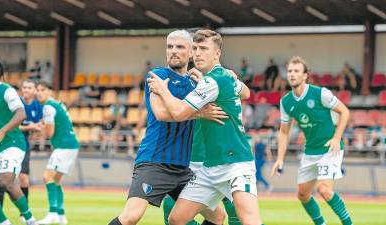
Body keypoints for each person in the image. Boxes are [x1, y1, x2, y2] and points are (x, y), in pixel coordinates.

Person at [107, 30, 227, 225]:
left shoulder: (196, 83)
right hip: (155, 162)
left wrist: (207, 80)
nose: (173, 51)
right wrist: (200, 113)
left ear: (191, 53)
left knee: (218, 216)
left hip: (184, 168)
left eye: (180, 47)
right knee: (131, 217)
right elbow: (161, 114)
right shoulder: (157, 76)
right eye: (169, 46)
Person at [148, 29, 262, 225]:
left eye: (203, 48)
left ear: (217, 53)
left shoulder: (212, 81)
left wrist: (162, 90)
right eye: (195, 48)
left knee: (248, 219)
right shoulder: (217, 78)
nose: (198, 53)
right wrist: (232, 78)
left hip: (235, 164)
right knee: (176, 218)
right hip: (209, 167)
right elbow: (246, 93)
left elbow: (178, 113)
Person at [271, 56, 353, 225]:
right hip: (310, 151)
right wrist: (280, 159)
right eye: (290, 71)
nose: (292, 74)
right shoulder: (286, 102)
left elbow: (345, 111)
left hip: (330, 148)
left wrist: (337, 138)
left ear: (305, 75)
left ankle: (348, 223)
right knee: (302, 195)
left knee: (323, 189)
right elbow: (284, 132)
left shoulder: (320, 93)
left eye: (296, 71)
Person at [0, 58, 38, 225]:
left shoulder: (6, 90)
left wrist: (1, 132)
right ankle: (3, 222)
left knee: (6, 181)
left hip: (13, 143)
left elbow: (21, 114)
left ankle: (30, 219)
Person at [0, 79, 44, 221]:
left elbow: (39, 128)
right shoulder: (16, 104)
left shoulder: (38, 107)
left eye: (29, 87)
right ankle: (1, 212)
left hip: (24, 145)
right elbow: (12, 125)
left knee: (24, 180)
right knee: (4, 179)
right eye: (24, 87)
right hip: (9, 144)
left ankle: (24, 213)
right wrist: (31, 127)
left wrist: (38, 129)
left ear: (35, 90)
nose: (26, 90)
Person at [36, 81, 80, 225]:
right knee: (55, 180)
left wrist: (41, 128)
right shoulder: (58, 103)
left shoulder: (48, 107)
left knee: (47, 177)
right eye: (37, 90)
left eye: (42, 90)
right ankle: (61, 215)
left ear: (50, 91)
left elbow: (50, 133)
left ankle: (52, 213)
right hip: (71, 144)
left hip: (64, 146)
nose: (39, 92)